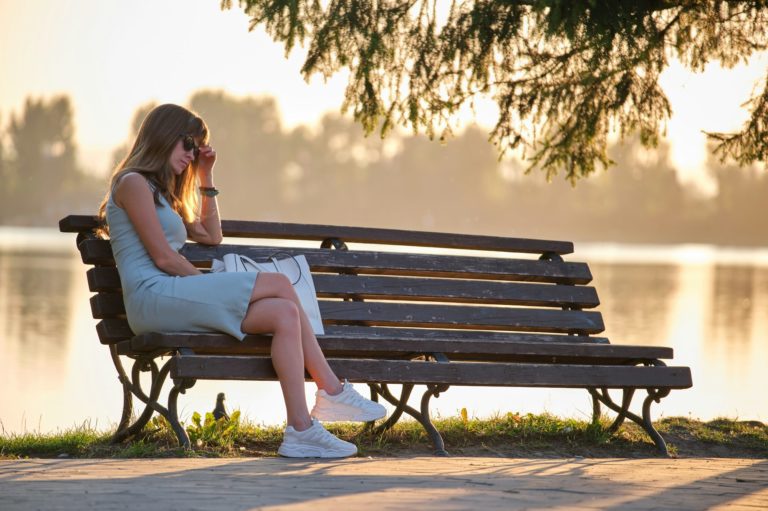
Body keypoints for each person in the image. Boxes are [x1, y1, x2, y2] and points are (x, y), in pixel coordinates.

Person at [97, 103, 386, 458]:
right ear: (163, 135)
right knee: (280, 284)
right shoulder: (132, 183)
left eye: (196, 147)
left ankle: (300, 430)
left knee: (284, 313)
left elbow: (211, 235)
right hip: (153, 297)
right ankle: (330, 388)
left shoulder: (163, 195)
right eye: (187, 144)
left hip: (174, 295)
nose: (191, 153)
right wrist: (209, 287)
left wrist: (205, 175)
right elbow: (164, 258)